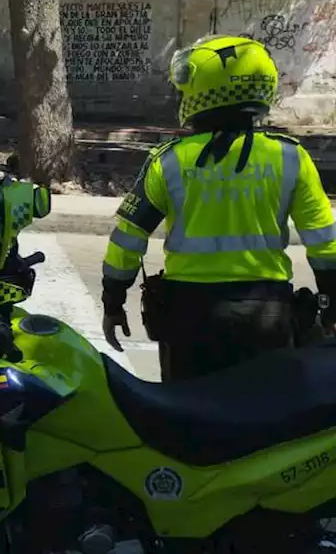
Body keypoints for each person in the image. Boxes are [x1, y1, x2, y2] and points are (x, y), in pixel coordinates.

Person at [100, 34, 336, 382]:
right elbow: (324, 242)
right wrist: (330, 304)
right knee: (266, 422)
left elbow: (128, 239)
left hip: (189, 316)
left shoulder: (169, 161)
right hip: (266, 315)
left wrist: (113, 301)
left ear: (202, 93)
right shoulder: (290, 157)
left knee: (190, 417)